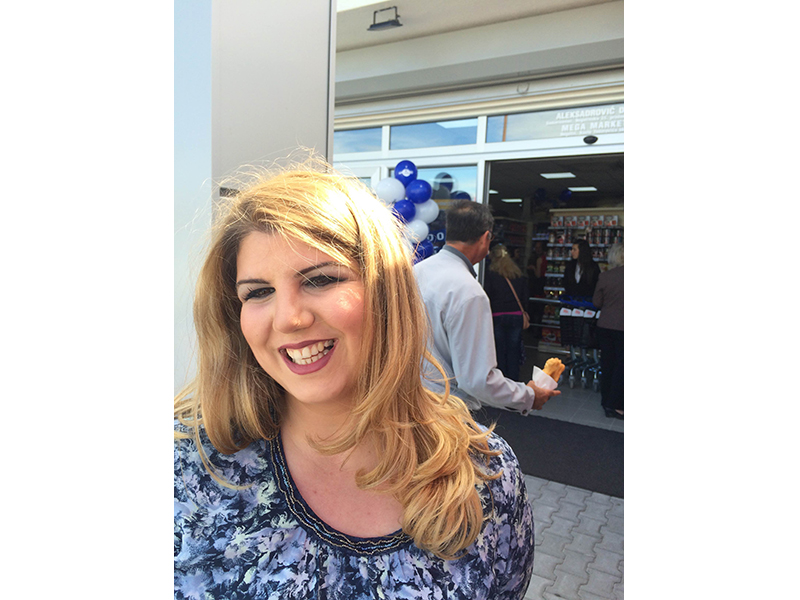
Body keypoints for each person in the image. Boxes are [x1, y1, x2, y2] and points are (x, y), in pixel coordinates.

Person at [174, 163, 535, 599]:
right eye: (259, 292)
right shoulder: (185, 466)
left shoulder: (487, 475)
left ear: (387, 291)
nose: (288, 319)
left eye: (321, 279)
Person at [413, 199, 560, 415]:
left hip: (410, 400)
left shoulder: (416, 272)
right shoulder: (468, 291)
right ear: (486, 237)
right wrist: (529, 396)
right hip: (445, 410)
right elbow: (477, 380)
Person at [484, 244, 529, 381]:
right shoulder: (518, 275)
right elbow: (525, 297)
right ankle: (513, 379)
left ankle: (501, 380)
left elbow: (487, 296)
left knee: (499, 350)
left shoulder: (490, 275)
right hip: (516, 316)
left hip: (497, 316)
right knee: (513, 349)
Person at [593, 242, 624, 419]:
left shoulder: (605, 276)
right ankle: (617, 404)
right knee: (622, 366)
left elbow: (596, 302)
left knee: (607, 363)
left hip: (605, 325)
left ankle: (606, 401)